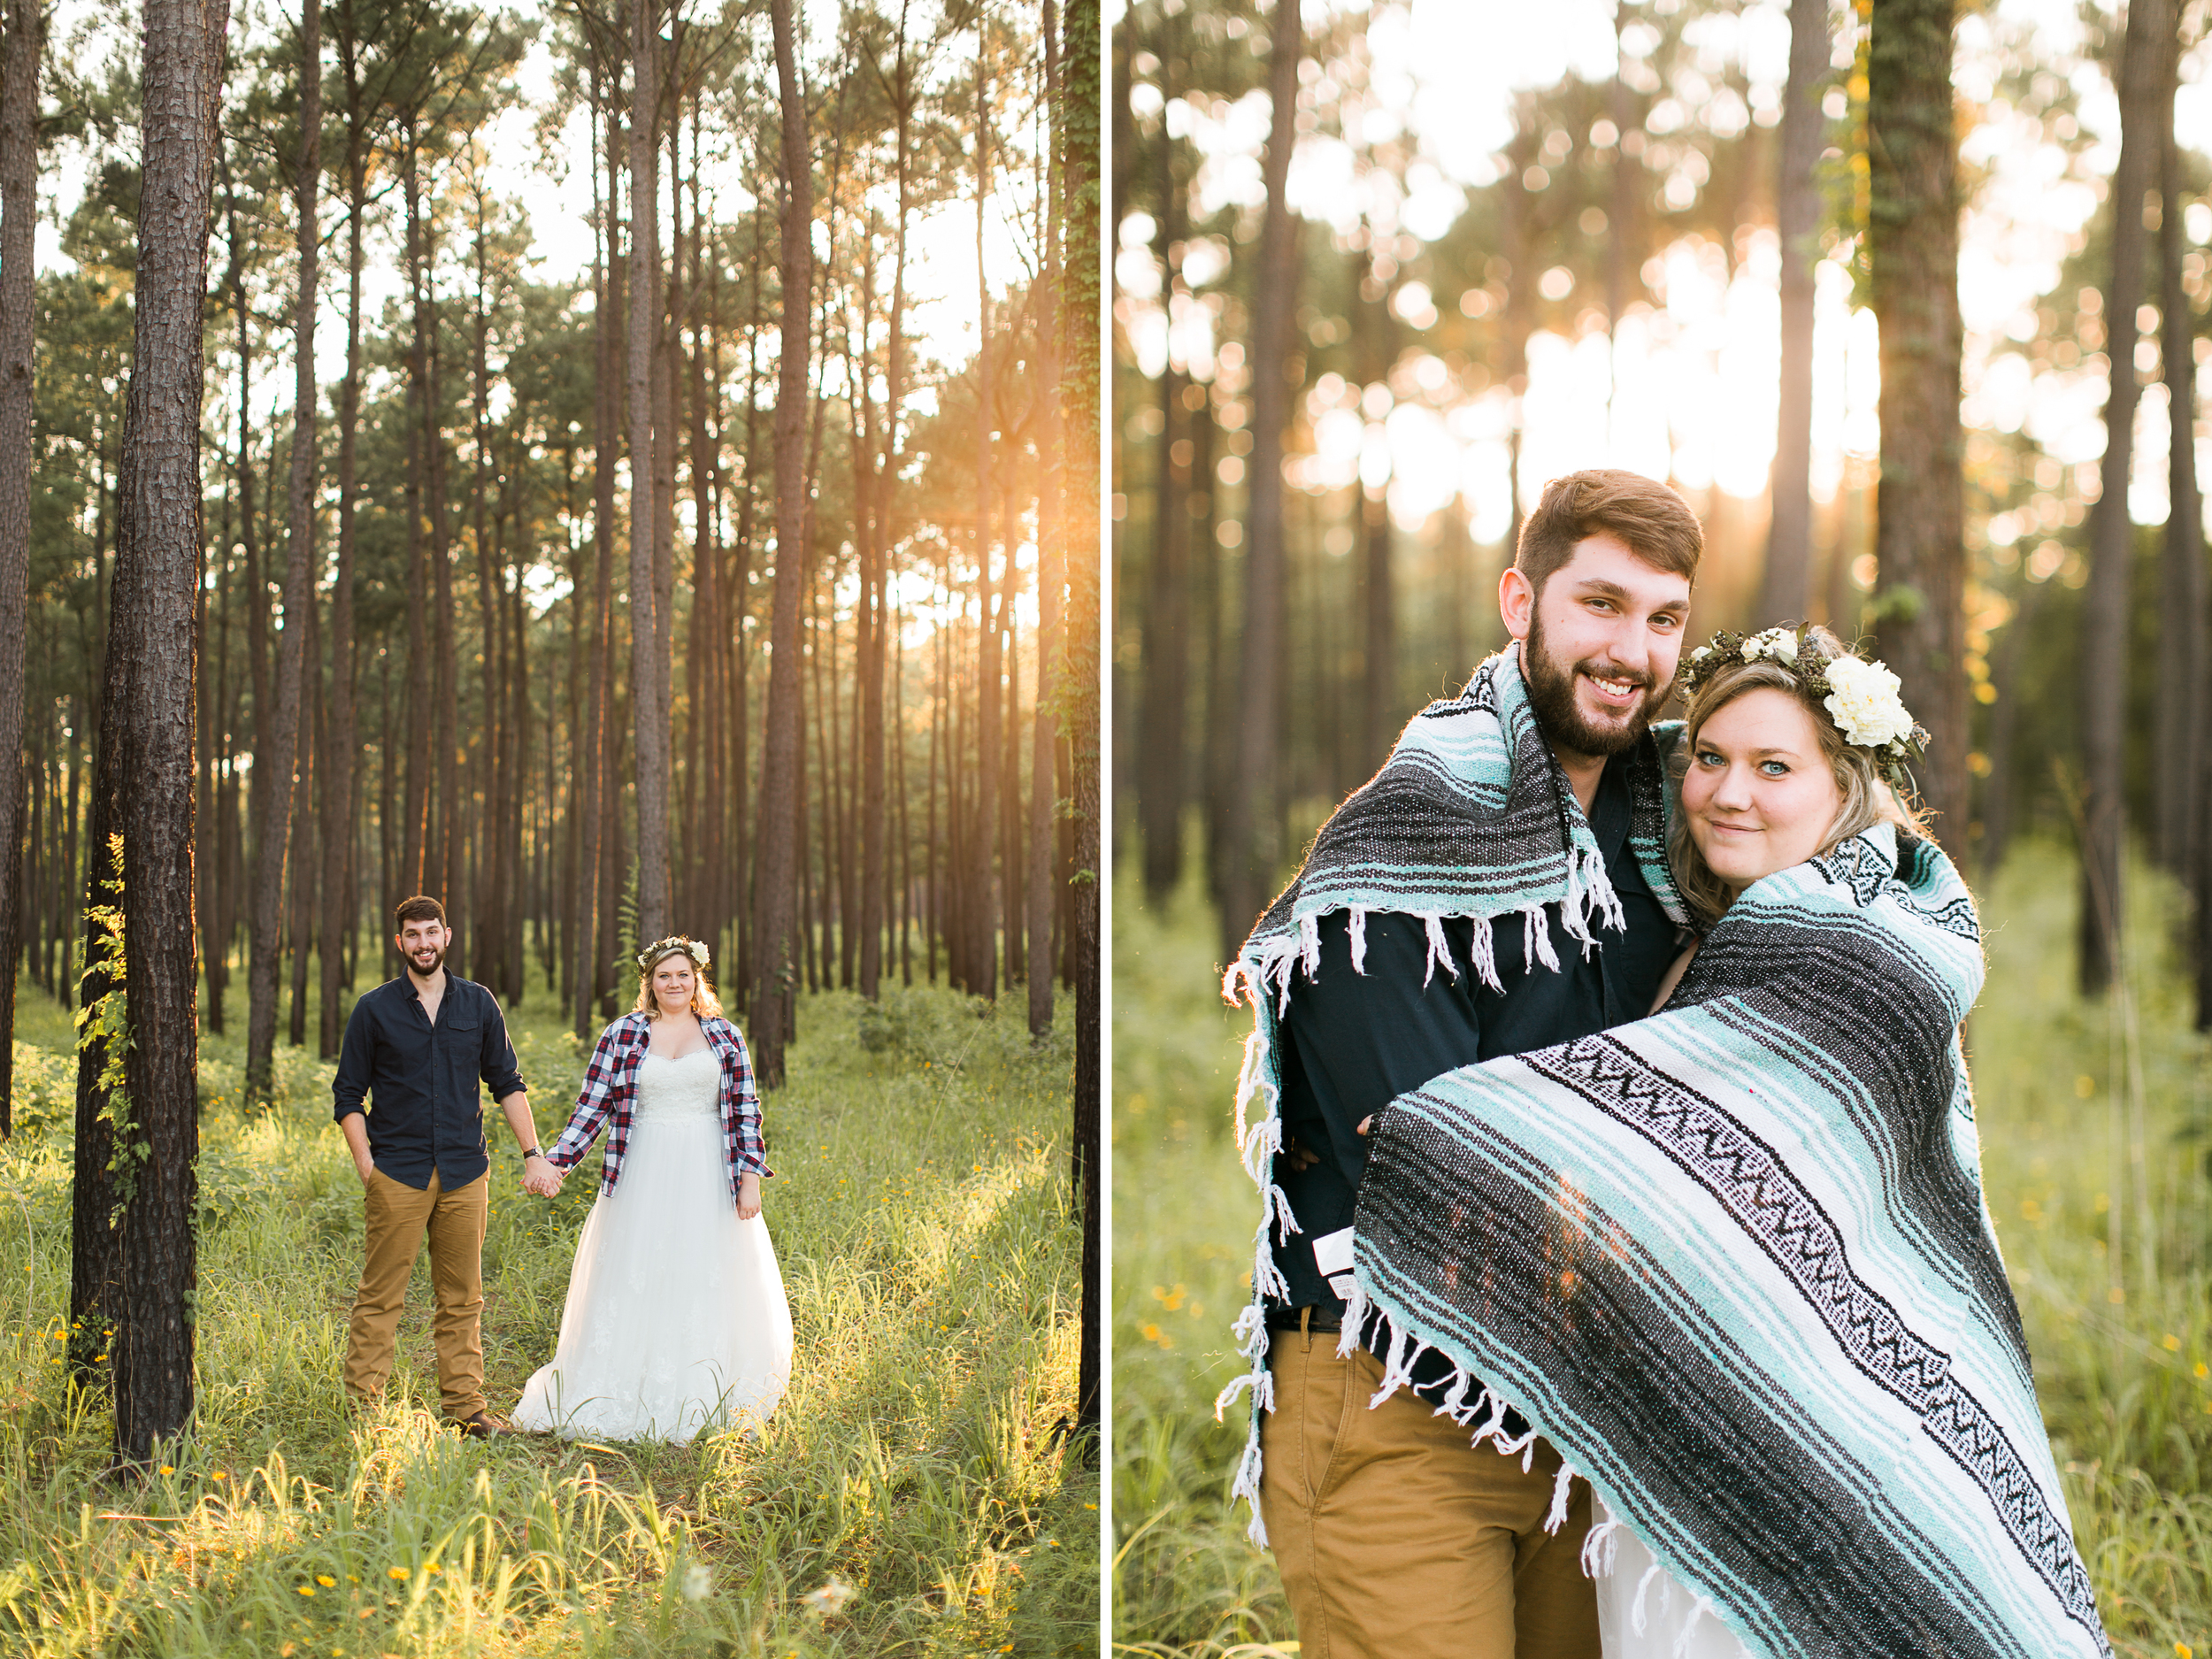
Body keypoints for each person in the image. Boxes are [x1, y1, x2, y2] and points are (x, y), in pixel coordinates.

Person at [1350, 626, 2113, 1659]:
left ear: (1842, 787)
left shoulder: (1862, 955)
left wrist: (1448, 1124)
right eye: (1708, 757)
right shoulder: (1706, 938)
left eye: (1773, 767)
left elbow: (1644, 1134)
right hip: (1678, 1416)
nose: (1728, 792)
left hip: (1830, 1446)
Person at [1217, 468, 1706, 1658]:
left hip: (1580, 1422)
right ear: (1519, 599)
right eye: (1599, 603)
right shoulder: (1403, 847)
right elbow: (1436, 1157)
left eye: (1663, 618)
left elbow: (1837, 839)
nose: (1629, 649)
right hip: (1395, 1401)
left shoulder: (1668, 830)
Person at [513, 935, 792, 1443]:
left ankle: (707, 1382)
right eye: (664, 976)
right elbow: (593, 1106)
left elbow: (747, 1111)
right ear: (650, 983)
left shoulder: (724, 1036)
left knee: (704, 1268)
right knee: (639, 1267)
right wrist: (556, 1162)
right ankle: (621, 1382)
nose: (674, 983)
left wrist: (751, 1178)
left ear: (698, 980)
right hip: (642, 1165)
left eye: (683, 975)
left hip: (709, 1168)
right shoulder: (624, 1034)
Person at [334, 895, 558, 1440]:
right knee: (381, 1295)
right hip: (398, 1172)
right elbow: (348, 1096)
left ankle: (467, 1409)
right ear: (400, 943)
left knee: (462, 1297)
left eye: (431, 932)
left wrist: (534, 1153)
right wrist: (369, 1168)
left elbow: (506, 1083)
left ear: (447, 936)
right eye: (413, 935)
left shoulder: (478, 1004)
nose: (423, 943)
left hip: (464, 1172)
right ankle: (364, 1408)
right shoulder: (375, 1008)